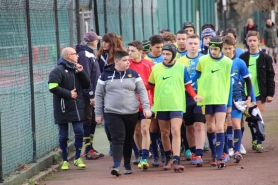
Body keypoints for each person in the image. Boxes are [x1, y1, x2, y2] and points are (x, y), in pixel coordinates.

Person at [146, 43, 203, 172]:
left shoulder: (182, 68)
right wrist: (134, 88)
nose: (164, 56)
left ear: (173, 55)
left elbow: (188, 85)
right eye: (163, 54)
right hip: (161, 105)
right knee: (164, 133)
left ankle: (177, 160)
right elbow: (149, 85)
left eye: (167, 54)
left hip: (177, 104)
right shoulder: (156, 69)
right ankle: (168, 157)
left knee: (176, 130)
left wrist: (194, 96)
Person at [95, 50, 151, 177]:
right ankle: (116, 165)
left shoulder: (133, 74)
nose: (128, 63)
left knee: (127, 139)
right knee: (117, 138)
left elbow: (142, 91)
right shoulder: (105, 75)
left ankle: (127, 164)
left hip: (131, 112)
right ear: (117, 61)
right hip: (112, 112)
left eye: (128, 60)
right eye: (125, 61)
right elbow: (98, 95)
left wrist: (146, 108)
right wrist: (98, 113)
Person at [192, 36, 233, 169]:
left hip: (221, 98)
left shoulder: (227, 62)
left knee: (220, 127)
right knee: (210, 127)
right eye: (211, 48)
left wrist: (229, 104)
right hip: (207, 99)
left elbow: (230, 84)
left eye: (215, 49)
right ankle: (214, 154)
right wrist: (192, 89)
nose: (213, 51)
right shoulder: (202, 60)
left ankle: (220, 157)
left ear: (220, 48)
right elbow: (196, 76)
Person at [48, 47, 90, 170]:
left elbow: (87, 85)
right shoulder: (57, 70)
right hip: (63, 107)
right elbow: (52, 87)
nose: (78, 56)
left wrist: (82, 72)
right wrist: (69, 94)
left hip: (76, 107)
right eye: (75, 54)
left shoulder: (77, 69)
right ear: (69, 56)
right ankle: (65, 160)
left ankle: (77, 158)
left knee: (79, 131)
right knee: (63, 136)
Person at [239, 31, 275, 152]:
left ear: (259, 41)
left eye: (255, 40)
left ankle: (257, 142)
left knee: (257, 118)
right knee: (244, 119)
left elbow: (270, 76)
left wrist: (270, 94)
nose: (252, 43)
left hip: (259, 93)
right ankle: (239, 143)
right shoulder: (242, 57)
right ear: (246, 42)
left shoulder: (266, 58)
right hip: (244, 93)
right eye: (250, 41)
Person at [222, 35, 254, 163]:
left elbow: (248, 80)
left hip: (237, 98)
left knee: (236, 123)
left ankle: (236, 150)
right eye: (225, 48)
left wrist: (249, 98)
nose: (228, 51)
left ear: (234, 47)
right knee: (226, 124)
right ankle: (229, 147)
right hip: (223, 98)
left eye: (230, 48)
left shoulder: (240, 62)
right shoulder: (220, 62)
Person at [176, 34, 206, 166]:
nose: (193, 46)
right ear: (185, 45)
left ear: (199, 45)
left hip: (201, 97)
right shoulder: (180, 61)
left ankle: (199, 154)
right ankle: (193, 151)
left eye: (195, 43)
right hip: (185, 97)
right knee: (188, 127)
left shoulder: (205, 59)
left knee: (199, 125)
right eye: (190, 43)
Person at [96, 32, 125, 156]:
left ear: (112, 43)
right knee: (107, 125)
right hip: (105, 92)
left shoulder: (120, 54)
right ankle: (112, 142)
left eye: (106, 42)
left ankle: (121, 144)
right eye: (103, 42)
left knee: (122, 122)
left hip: (120, 92)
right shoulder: (101, 56)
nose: (104, 44)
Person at [76, 31, 103, 160]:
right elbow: (85, 76)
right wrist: (90, 94)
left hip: (93, 93)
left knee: (92, 120)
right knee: (87, 120)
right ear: (90, 42)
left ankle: (90, 147)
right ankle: (87, 150)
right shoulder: (85, 54)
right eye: (96, 40)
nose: (98, 42)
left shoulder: (89, 53)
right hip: (87, 94)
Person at [128, 40, 154, 171]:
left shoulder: (149, 65)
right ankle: (138, 153)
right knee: (136, 131)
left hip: (146, 104)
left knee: (144, 129)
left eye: (132, 51)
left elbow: (154, 85)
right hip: (131, 105)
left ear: (140, 51)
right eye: (129, 51)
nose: (130, 53)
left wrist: (153, 102)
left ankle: (144, 157)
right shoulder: (127, 65)